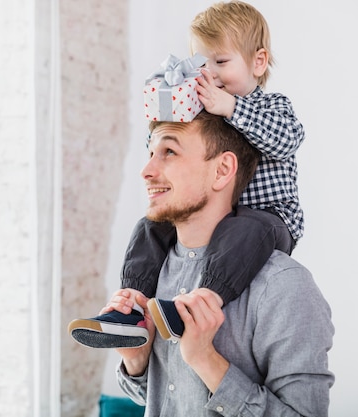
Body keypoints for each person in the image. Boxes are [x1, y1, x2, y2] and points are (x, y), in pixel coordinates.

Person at [68, 0, 304, 348]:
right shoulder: (202, 109)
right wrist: (167, 109)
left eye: (221, 62)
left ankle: (198, 305)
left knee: (245, 229)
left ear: (258, 62)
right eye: (202, 64)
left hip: (269, 219)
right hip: (215, 219)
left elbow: (288, 139)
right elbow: (171, 147)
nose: (210, 74)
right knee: (152, 224)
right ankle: (131, 308)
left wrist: (232, 108)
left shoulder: (269, 106)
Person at [113, 110, 334, 416]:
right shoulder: (154, 272)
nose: (146, 170)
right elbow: (161, 398)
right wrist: (136, 362)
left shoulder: (283, 286)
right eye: (150, 152)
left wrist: (206, 359)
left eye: (169, 152)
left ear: (222, 170)